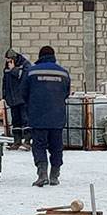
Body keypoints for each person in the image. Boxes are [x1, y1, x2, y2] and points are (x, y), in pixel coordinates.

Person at [20, 45, 71, 187]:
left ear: (40, 56)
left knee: (39, 146)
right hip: (57, 117)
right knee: (56, 146)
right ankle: (54, 175)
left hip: (38, 116)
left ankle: (42, 174)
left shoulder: (31, 72)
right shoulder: (63, 73)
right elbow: (66, 93)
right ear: (53, 56)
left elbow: (23, 92)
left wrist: (32, 105)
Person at [2, 48, 31, 150]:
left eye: (10, 60)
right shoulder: (7, 67)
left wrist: (13, 69)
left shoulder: (25, 65)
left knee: (25, 120)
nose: (8, 63)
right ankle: (16, 141)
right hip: (12, 98)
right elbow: (5, 82)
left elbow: (25, 78)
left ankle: (27, 141)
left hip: (23, 99)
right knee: (16, 122)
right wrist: (4, 96)